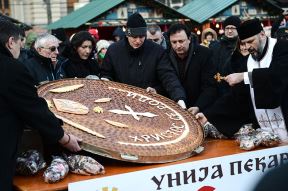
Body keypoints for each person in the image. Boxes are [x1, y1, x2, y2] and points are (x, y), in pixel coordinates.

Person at [0, 19, 81, 191]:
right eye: (18, 43)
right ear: (10, 42)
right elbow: (35, 110)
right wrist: (65, 139)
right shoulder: (12, 68)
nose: (20, 48)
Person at [196, 18, 288, 140]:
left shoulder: (282, 48)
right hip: (265, 133)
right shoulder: (248, 61)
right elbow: (236, 96)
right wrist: (208, 115)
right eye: (244, 43)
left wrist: (243, 76)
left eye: (251, 41)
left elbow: (277, 75)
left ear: (262, 34)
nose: (248, 47)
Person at [101, 12, 187, 108]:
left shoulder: (157, 51)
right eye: (134, 37)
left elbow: (168, 77)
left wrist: (179, 98)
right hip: (120, 103)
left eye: (141, 37)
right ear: (127, 35)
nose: (138, 41)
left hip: (148, 104)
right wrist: (106, 79)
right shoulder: (114, 50)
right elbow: (106, 73)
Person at [167, 24, 217, 114]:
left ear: (189, 39)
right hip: (174, 109)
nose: (178, 46)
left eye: (181, 41)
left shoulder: (205, 54)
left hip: (200, 108)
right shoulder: (166, 55)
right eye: (174, 42)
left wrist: (198, 106)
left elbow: (210, 86)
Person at [210, 16, 242, 98]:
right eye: (227, 28)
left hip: (237, 87)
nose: (230, 31)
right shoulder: (215, 46)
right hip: (218, 88)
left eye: (233, 28)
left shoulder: (243, 45)